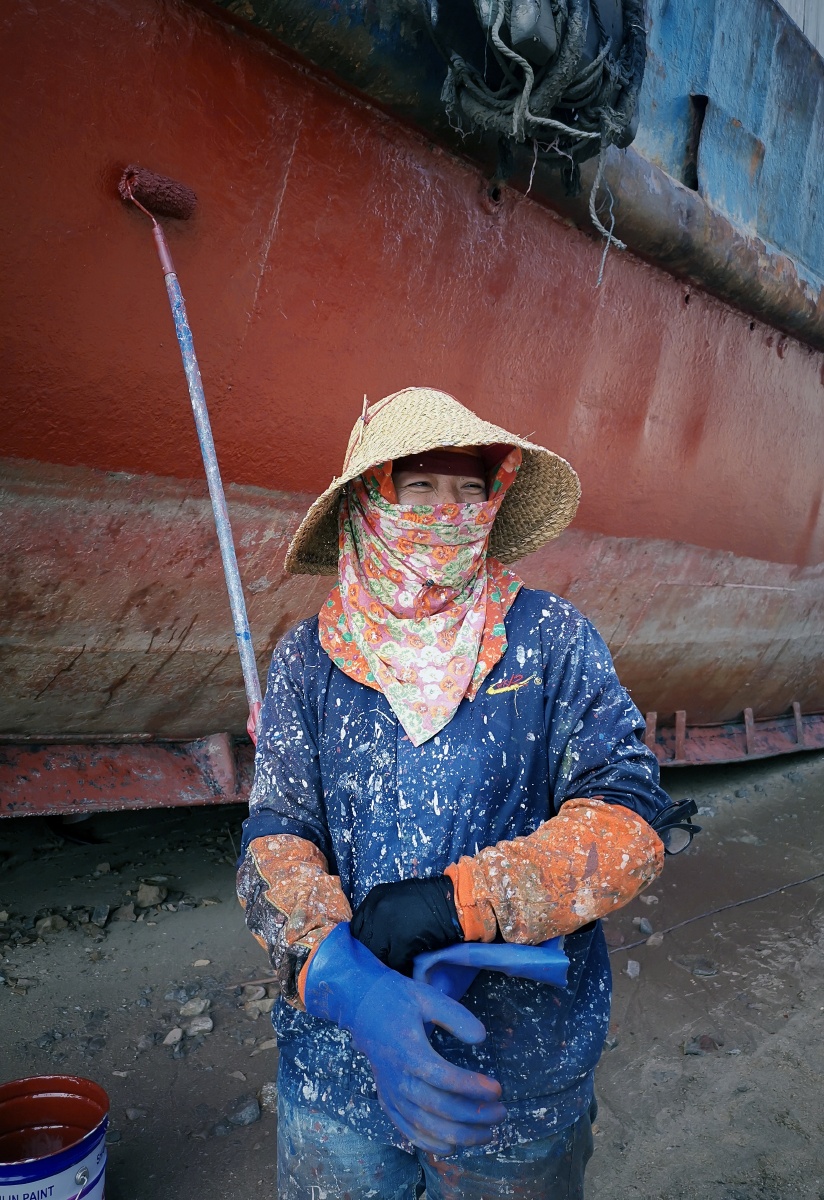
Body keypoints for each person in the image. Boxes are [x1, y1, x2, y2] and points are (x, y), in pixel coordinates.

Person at [236, 387, 674, 1200]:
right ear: (370, 502)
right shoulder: (308, 658)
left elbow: (630, 813)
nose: (450, 509)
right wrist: (343, 982)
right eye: (421, 487)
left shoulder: (550, 637)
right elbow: (275, 835)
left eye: (471, 489)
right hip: (336, 1076)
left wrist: (465, 900)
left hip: (514, 1081)